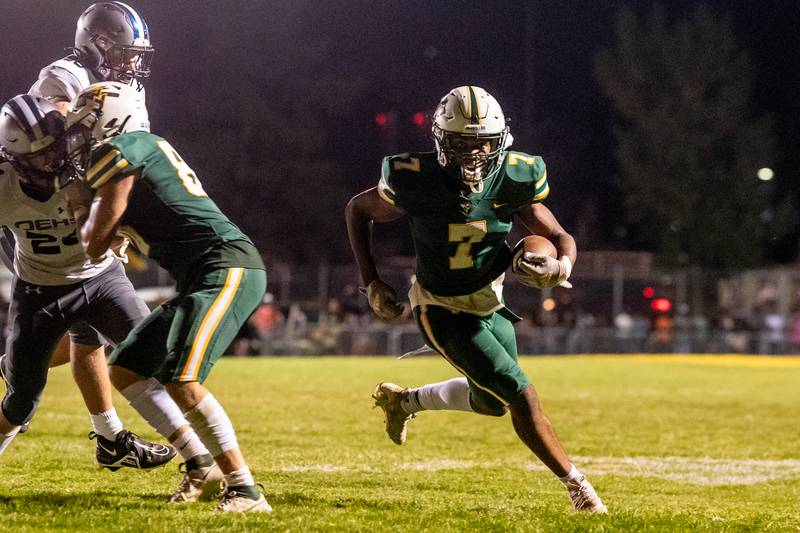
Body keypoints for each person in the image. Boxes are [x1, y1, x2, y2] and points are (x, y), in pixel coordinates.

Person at [2, 3, 228, 502]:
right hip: (53, 225)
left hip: (95, 225)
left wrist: (119, 208)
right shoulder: (64, 77)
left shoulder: (126, 87)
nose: (134, 62)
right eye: (126, 52)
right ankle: (29, 368)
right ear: (100, 44)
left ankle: (116, 438)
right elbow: (44, 139)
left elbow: (124, 150)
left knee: (104, 338)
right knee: (53, 359)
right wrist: (96, 197)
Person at [345, 86, 607, 513]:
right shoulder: (414, 177)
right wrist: (371, 281)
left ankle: (404, 401)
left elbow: (558, 237)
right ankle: (578, 487)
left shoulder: (515, 175)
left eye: (484, 142)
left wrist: (562, 266)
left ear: (501, 140)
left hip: (490, 301)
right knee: (521, 395)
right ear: (441, 141)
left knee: (491, 403)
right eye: (463, 143)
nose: (474, 153)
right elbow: (357, 209)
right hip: (441, 307)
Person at [65, 82, 271, 512]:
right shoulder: (140, 147)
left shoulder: (121, 147)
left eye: (85, 126)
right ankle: (199, 463)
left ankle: (245, 489)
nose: (80, 136)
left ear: (112, 119)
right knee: (125, 369)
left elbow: (93, 242)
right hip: (203, 274)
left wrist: (80, 207)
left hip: (225, 267)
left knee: (182, 379)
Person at [0, 94, 175, 472]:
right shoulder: (5, 185)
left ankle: (203, 462)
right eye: (37, 157)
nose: (49, 162)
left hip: (101, 278)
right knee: (21, 401)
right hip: (39, 291)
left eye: (54, 149)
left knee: (160, 359)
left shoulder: (84, 161)